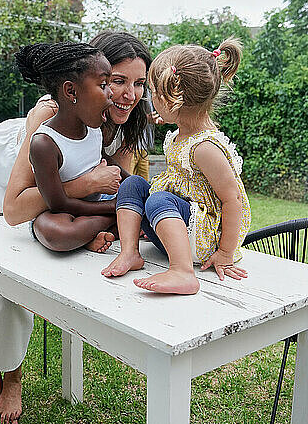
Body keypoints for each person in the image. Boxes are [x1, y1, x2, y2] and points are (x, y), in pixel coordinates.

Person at [0, 31, 152, 424]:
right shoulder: (47, 115)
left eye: (139, 83)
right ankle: (4, 379)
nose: (130, 94)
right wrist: (88, 187)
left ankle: (8, 370)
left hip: (54, 195)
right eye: (117, 81)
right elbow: (14, 207)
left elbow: (119, 187)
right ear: (82, 84)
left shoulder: (128, 124)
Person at [102, 38, 251, 295]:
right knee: (133, 184)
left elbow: (233, 200)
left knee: (159, 199)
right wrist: (171, 117)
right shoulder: (184, 133)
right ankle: (130, 253)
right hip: (178, 232)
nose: (148, 100)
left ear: (171, 100)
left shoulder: (205, 148)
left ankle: (182, 272)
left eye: (153, 94)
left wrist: (226, 252)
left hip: (204, 239)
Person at [14, 41, 123, 252]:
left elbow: (101, 159)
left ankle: (91, 235)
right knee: (58, 234)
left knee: (138, 190)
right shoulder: (44, 143)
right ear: (71, 91)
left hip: (94, 206)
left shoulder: (93, 128)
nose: (111, 93)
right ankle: (116, 222)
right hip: (63, 212)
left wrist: (134, 183)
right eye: (103, 85)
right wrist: (114, 207)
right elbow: (58, 203)